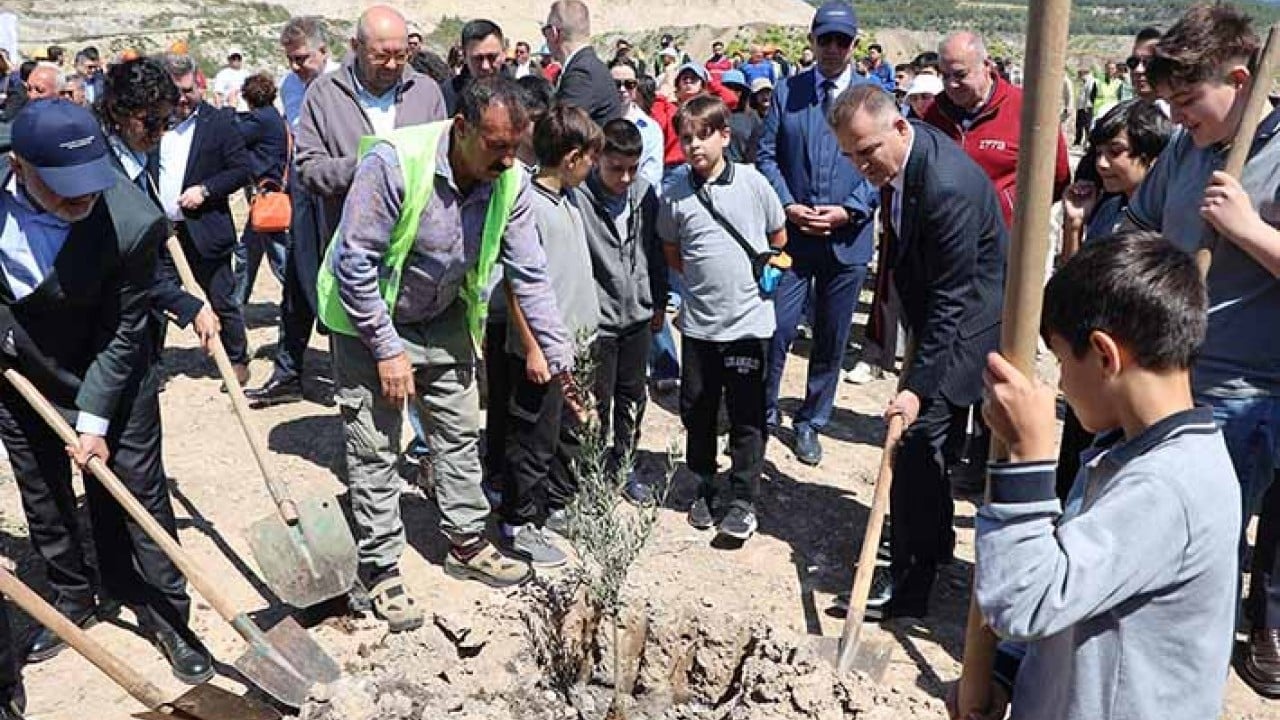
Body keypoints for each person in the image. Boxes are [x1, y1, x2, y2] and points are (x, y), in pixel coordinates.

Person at [317, 76, 574, 627]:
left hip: (445, 315)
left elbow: (530, 274)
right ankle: (381, 567)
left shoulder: (511, 181)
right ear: (461, 129)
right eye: (496, 146)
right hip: (372, 320)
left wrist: (558, 356)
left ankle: (465, 542)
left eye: (515, 147)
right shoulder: (392, 164)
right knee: (376, 445)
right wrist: (386, 349)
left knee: (458, 435)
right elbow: (355, 264)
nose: (508, 160)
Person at [967, 233, 1238, 720]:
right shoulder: (1126, 453)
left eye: (1060, 360)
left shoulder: (1169, 487)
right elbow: (1073, 590)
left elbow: (1024, 601)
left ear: (1104, 354)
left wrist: (1029, 458)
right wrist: (1007, 672)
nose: (1060, 383)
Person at [0, 99, 213, 682]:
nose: (82, 201)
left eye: (89, 186)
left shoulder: (132, 221)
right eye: (64, 191)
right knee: (42, 492)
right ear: (19, 166)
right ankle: (73, 595)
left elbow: (123, 331)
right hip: (20, 366)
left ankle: (164, 611)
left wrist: (93, 421)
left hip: (111, 366)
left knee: (135, 490)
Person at [1125, 3, 1280, 698]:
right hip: (1167, 372)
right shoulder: (1189, 149)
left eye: (1189, 100)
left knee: (1199, 556)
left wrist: (1248, 230)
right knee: (1148, 539)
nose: (1178, 117)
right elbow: (1143, 222)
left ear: (1240, 78)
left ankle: (1181, 691)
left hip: (1244, 396)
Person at [829, 85, 1006, 619]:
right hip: (939, 310)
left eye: (868, 151)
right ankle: (933, 543)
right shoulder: (907, 154)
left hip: (969, 321)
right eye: (850, 155)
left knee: (915, 442)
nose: (862, 165)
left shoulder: (947, 186)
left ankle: (910, 585)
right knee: (924, 445)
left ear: (900, 128)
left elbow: (953, 301)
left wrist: (914, 391)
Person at [656, 95, 785, 543]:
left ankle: (744, 497)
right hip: (699, 325)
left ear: (725, 136)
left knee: (748, 413)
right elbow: (673, 251)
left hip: (749, 324)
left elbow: (778, 234)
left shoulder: (753, 183)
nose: (694, 146)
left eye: (703, 135)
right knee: (698, 409)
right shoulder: (674, 192)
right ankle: (706, 486)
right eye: (686, 137)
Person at [757, 1, 877, 467]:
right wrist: (787, 204)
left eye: (841, 41)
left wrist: (849, 211)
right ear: (812, 41)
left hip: (847, 240)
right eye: (824, 39)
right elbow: (766, 155)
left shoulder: (873, 97)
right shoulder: (789, 92)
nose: (831, 49)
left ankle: (811, 421)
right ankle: (764, 410)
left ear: (853, 45)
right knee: (778, 327)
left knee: (831, 336)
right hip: (794, 237)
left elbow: (884, 167)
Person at [499, 105, 601, 567]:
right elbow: (518, 287)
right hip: (540, 355)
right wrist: (535, 348)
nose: (594, 168)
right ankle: (519, 522)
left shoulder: (569, 200)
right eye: (592, 159)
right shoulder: (529, 207)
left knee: (565, 436)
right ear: (573, 157)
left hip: (574, 346)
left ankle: (554, 508)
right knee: (532, 442)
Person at [246, 15, 344, 407]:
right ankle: (288, 373)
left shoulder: (345, 84)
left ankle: (349, 374)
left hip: (340, 187)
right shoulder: (290, 86)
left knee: (343, 276)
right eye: (290, 58)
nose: (295, 66)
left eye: (302, 58)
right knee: (298, 280)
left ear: (324, 51)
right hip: (304, 187)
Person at [98, 57, 220, 362]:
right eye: (151, 122)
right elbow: (124, 261)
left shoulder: (141, 156)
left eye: (167, 122)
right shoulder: (100, 171)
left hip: (141, 322)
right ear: (118, 112)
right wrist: (187, 305)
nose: (160, 133)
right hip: (105, 331)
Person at [573, 119, 664, 504]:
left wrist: (658, 300)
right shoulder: (579, 198)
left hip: (638, 318)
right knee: (597, 401)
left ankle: (624, 466)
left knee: (632, 396)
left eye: (633, 168)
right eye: (616, 169)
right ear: (597, 161)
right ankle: (591, 472)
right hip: (599, 322)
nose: (626, 178)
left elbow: (656, 251)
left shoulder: (644, 195)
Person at [158, 53, 253, 385]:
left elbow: (242, 169)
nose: (183, 99)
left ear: (199, 83)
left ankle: (237, 359)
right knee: (156, 300)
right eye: (175, 92)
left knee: (222, 298)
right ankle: (152, 365)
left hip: (204, 227)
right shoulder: (151, 123)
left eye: (188, 90)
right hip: (161, 231)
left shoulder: (219, 123)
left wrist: (207, 189)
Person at [925, 31, 1070, 229]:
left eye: (960, 74)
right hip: (947, 236)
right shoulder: (934, 112)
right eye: (945, 75)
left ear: (987, 65)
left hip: (1005, 238)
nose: (951, 84)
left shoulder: (1028, 110)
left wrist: (1011, 211)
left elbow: (1057, 177)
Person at [233, 72, 289, 305]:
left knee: (278, 255)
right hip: (265, 194)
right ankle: (237, 300)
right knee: (248, 250)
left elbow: (235, 133)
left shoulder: (260, 120)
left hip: (266, 195)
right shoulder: (270, 116)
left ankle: (306, 299)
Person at [543, 0, 621, 127]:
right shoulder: (588, 65)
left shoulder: (581, 73)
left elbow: (562, 131)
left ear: (554, 33)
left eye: (545, 32)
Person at [610, 60, 663, 190]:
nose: (622, 89)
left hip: (639, 199)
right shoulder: (596, 123)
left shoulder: (651, 128)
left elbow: (652, 172)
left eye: (629, 84)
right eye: (616, 84)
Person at [443, 19, 508, 115]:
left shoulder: (520, 95)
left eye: (492, 57)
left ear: (504, 53)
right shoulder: (447, 94)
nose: (485, 66)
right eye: (478, 58)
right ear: (464, 56)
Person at [720, 69, 761, 164]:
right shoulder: (713, 113)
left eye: (737, 89)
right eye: (728, 87)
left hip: (741, 168)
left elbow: (755, 148)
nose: (732, 92)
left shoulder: (752, 116)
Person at [1127, 26, 1167, 113]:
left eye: (1148, 62)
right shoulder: (1120, 116)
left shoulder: (1186, 120)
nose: (1138, 70)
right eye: (1134, 62)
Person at [1074, 67, 1096, 146]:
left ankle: (1087, 142)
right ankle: (1077, 141)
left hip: (1087, 106)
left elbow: (1089, 93)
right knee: (1079, 125)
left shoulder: (1091, 81)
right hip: (1081, 106)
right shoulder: (1083, 81)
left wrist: (1087, 105)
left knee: (1087, 125)